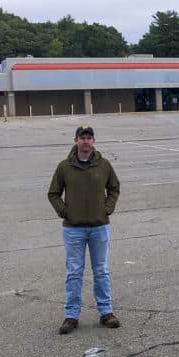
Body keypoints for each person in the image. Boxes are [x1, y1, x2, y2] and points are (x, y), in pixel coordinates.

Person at [47, 125, 122, 334]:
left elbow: (114, 188)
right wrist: (65, 212)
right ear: (75, 141)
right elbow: (53, 193)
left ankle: (106, 312)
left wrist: (107, 208)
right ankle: (71, 316)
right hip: (73, 229)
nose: (86, 141)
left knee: (101, 271)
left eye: (89, 138)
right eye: (82, 138)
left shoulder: (104, 165)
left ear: (94, 141)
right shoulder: (64, 167)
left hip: (100, 227)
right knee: (74, 272)